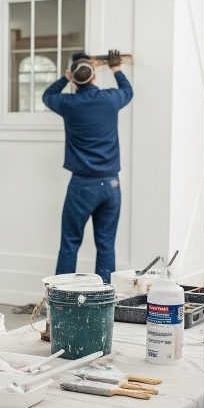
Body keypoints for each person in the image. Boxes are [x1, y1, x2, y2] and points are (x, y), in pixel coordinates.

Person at [42, 51, 133, 283]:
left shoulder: (68, 104)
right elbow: (128, 90)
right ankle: (104, 296)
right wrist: (116, 69)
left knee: (70, 243)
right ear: (94, 77)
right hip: (111, 184)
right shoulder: (110, 99)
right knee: (106, 245)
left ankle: (61, 296)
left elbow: (47, 95)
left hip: (82, 185)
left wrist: (66, 77)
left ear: (74, 79)